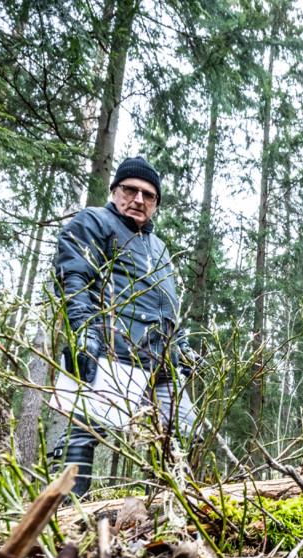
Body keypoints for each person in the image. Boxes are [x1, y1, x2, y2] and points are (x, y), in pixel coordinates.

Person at [50, 156, 197, 497]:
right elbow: (74, 278)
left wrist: (180, 346)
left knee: (181, 434)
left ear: (156, 203)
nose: (139, 200)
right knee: (86, 433)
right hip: (114, 351)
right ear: (114, 190)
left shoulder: (159, 248)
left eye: (149, 195)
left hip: (161, 361)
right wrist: (84, 331)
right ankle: (70, 513)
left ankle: (171, 511)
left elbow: (167, 303)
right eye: (131, 190)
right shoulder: (94, 222)